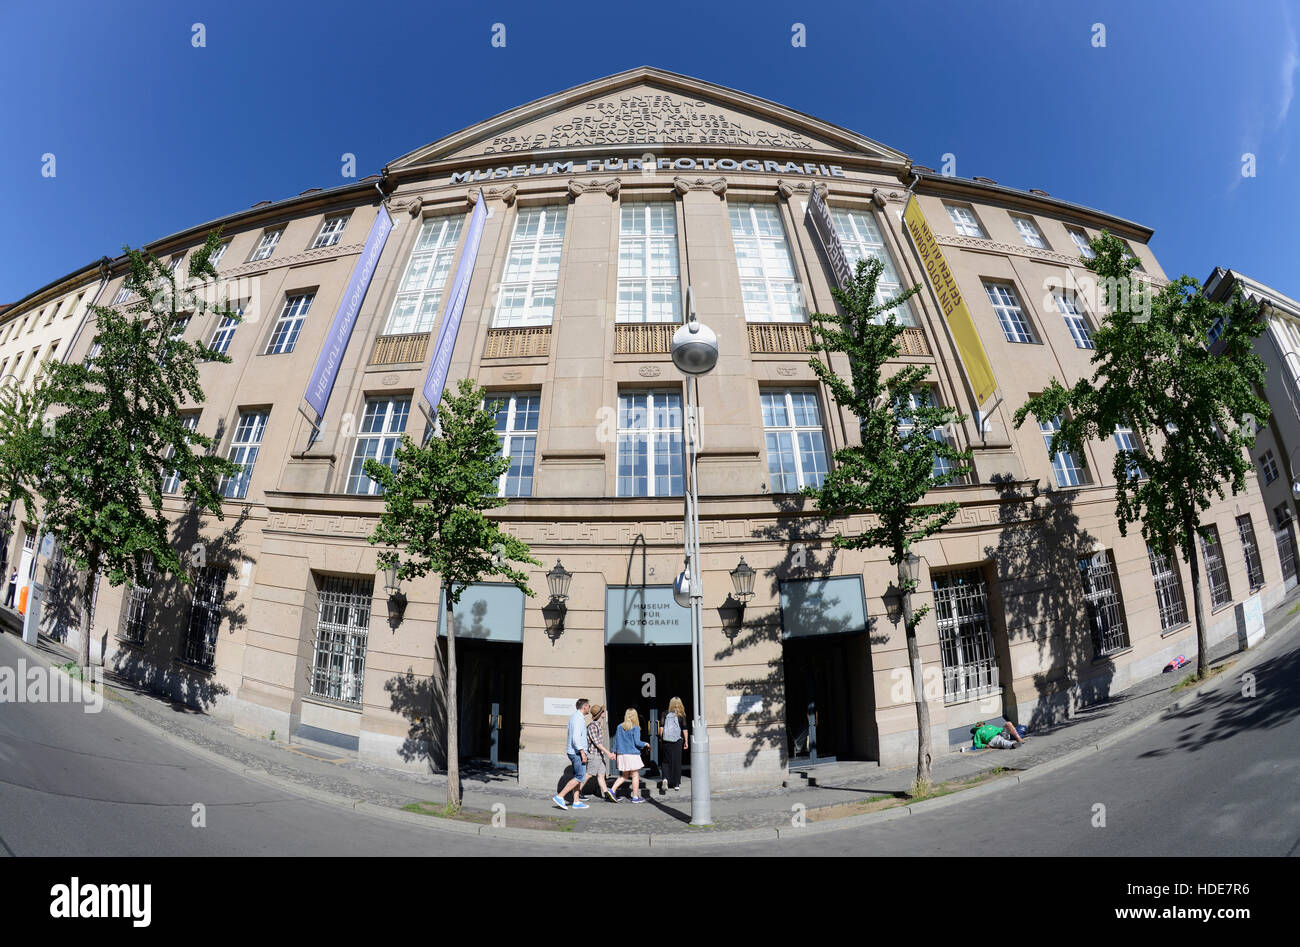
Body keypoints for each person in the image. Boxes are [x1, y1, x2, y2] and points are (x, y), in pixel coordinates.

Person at [552, 698, 591, 810]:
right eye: (588, 706)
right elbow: (575, 739)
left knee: (577, 776)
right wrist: (582, 752)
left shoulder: (575, 717)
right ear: (584, 707)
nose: (589, 708)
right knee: (580, 777)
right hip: (577, 752)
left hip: (575, 752)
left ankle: (576, 801)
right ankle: (560, 796)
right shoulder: (578, 719)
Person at [608, 708, 650, 803]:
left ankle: (612, 790)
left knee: (624, 775)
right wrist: (646, 744)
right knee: (635, 775)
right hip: (632, 754)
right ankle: (635, 797)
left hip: (622, 754)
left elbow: (616, 741)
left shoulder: (619, 727)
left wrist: (614, 752)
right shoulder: (635, 727)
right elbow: (637, 742)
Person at [583, 703, 615, 802]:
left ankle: (606, 794)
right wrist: (608, 753)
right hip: (594, 755)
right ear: (600, 714)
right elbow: (597, 743)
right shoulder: (592, 727)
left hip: (599, 755)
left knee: (601, 774)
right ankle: (576, 792)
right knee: (588, 775)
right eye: (603, 711)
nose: (604, 712)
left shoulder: (598, 725)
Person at [657, 696, 688, 792]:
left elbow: (661, 728)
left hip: (666, 741)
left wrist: (662, 739)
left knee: (666, 761)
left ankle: (665, 778)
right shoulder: (681, 715)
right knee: (677, 762)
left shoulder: (665, 713)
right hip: (677, 741)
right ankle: (676, 784)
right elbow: (685, 730)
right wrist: (686, 741)